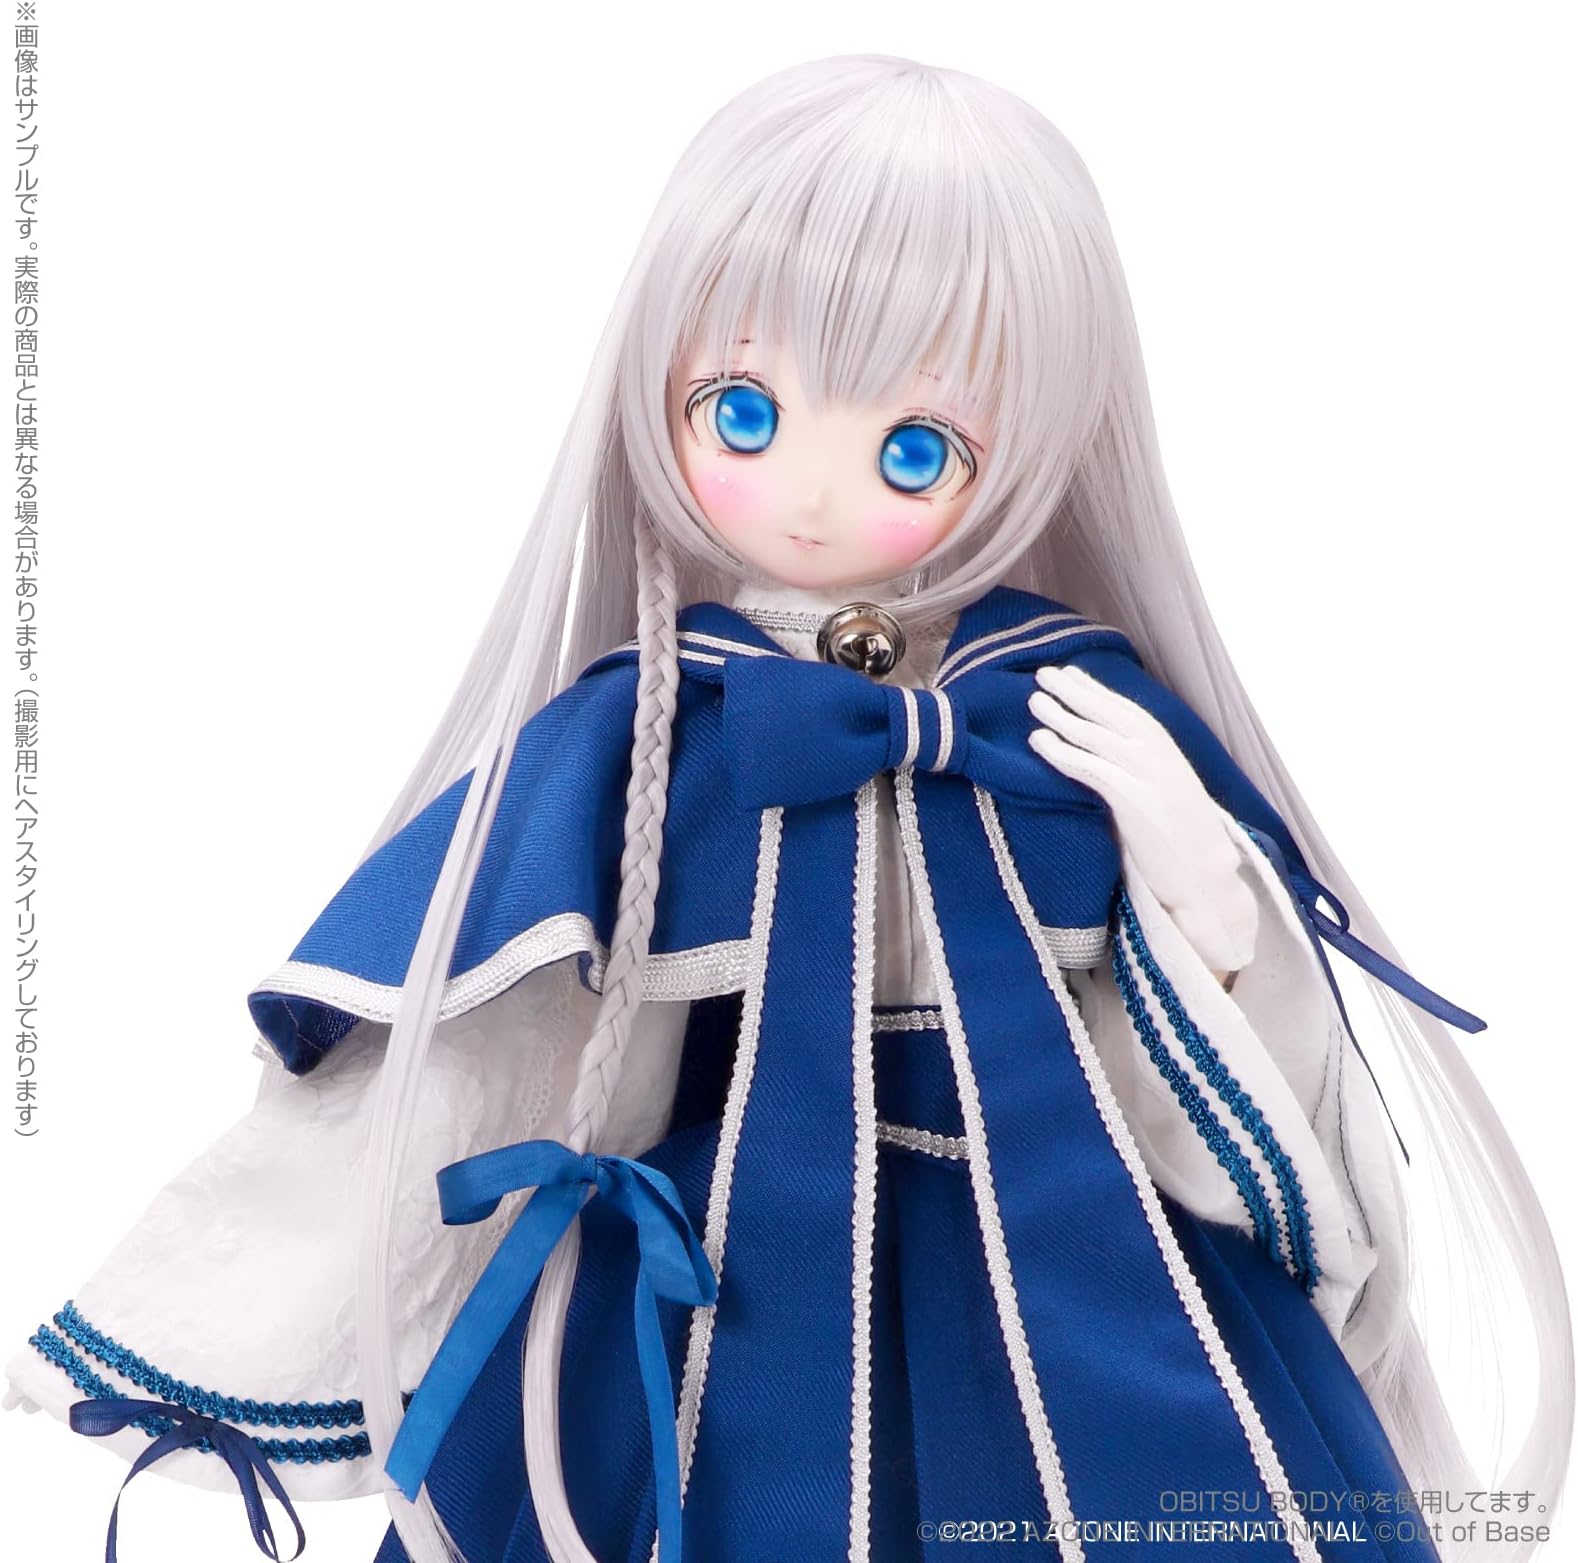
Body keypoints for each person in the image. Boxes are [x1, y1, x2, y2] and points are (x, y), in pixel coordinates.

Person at [6, 53, 1569, 1563]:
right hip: (722, 1276)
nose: (816, 495)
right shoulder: (652, 731)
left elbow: (1221, 1085)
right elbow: (475, 1046)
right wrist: (246, 1302)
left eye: (913, 447)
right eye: (744, 414)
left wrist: (1204, 895)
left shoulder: (1058, 711)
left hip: (1075, 1258)